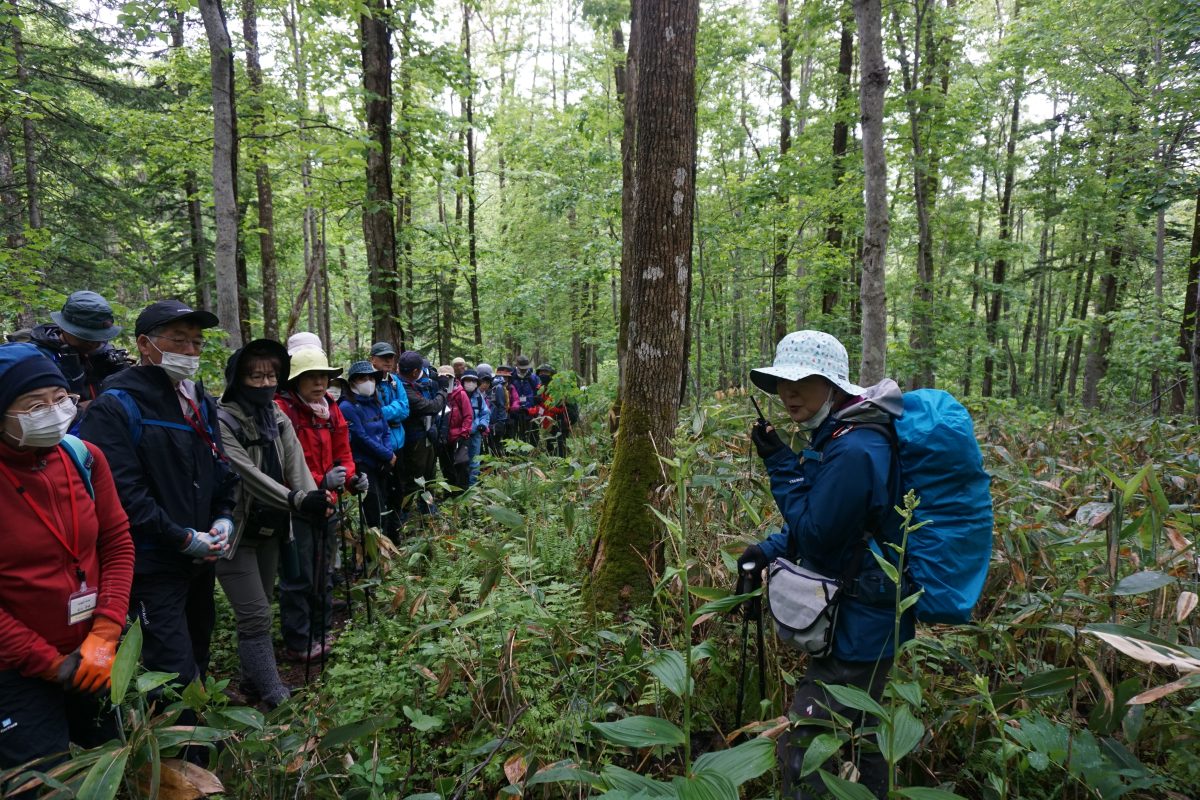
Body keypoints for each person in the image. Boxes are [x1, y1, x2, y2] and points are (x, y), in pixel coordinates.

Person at [736, 330, 908, 800]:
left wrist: (780, 465)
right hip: (863, 610)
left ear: (832, 384)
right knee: (864, 730)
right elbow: (835, 524)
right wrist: (769, 550)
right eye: (781, 383)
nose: (787, 393)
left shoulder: (854, 450)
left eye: (802, 382)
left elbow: (816, 532)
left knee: (807, 744)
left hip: (861, 619)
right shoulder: (838, 434)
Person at [79, 300, 236, 704]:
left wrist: (223, 516)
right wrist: (180, 537)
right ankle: (175, 757)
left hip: (199, 562)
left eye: (197, 343)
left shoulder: (198, 401)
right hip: (151, 565)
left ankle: (200, 752)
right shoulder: (117, 405)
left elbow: (219, 467)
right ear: (145, 345)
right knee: (170, 672)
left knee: (198, 653)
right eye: (179, 341)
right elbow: (123, 495)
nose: (190, 352)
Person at [0, 344, 134, 783]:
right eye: (35, 406)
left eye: (61, 399)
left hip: (94, 652)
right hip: (16, 670)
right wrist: (52, 664)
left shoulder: (85, 458)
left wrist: (106, 632)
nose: (54, 413)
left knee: (109, 767)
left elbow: (116, 542)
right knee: (43, 782)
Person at [215, 339, 331, 708]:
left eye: (271, 374)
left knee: (261, 604)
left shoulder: (275, 416)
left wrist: (314, 498)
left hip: (271, 526)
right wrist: (294, 499)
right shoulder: (222, 418)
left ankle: (251, 681)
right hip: (232, 530)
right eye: (255, 375)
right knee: (256, 614)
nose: (265, 382)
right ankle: (273, 692)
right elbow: (244, 473)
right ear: (238, 378)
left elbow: (294, 459)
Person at [274, 343, 366, 663]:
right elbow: (282, 463)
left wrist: (351, 479)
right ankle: (299, 640)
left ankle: (322, 629)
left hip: (327, 502)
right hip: (295, 505)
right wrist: (318, 481)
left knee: (324, 570)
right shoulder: (282, 410)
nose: (318, 383)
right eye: (310, 377)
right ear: (295, 381)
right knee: (298, 574)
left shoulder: (330, 407)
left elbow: (344, 450)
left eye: (323, 377)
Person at [30, 291, 132, 414]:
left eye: (98, 337)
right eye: (83, 337)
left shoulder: (104, 353)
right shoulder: (40, 359)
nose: (92, 343)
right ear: (63, 327)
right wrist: (97, 406)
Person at [338, 360, 398, 542]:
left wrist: (389, 453)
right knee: (374, 508)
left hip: (382, 462)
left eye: (371, 378)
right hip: (364, 464)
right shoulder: (347, 407)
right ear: (353, 382)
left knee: (387, 502)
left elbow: (385, 429)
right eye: (363, 378)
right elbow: (360, 437)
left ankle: (390, 544)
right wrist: (387, 454)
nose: (368, 382)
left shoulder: (374, 402)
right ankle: (376, 551)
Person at [396, 350, 449, 516]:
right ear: (414, 372)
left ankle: (427, 509)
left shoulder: (413, 384)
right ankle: (402, 516)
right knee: (414, 479)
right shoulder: (402, 387)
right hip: (413, 440)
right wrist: (443, 389)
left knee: (429, 475)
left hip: (426, 436)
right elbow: (432, 407)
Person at [368, 342, 410, 534]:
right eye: (383, 357)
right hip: (377, 449)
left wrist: (382, 413)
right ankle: (380, 537)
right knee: (379, 495)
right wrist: (389, 413)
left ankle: (395, 533)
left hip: (398, 445)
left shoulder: (395, 381)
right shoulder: (365, 381)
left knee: (398, 490)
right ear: (372, 359)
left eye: (391, 357)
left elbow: (405, 409)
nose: (388, 361)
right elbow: (368, 414)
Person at [534, 364, 572, 457]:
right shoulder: (539, 388)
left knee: (560, 446)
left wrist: (542, 402)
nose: (543, 374)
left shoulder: (557, 389)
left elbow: (560, 409)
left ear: (552, 375)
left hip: (558, 422)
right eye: (541, 372)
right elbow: (538, 408)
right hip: (546, 423)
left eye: (546, 372)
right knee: (549, 447)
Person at [460, 369, 490, 486]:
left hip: (476, 433)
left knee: (475, 461)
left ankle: (472, 487)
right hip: (461, 434)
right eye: (468, 380)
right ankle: (461, 485)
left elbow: (485, 412)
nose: (470, 383)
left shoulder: (478, 397)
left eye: (473, 381)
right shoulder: (459, 394)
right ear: (463, 381)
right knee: (461, 461)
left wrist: (483, 424)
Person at [476, 364, 508, 455]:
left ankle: (497, 467)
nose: (485, 384)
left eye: (487, 381)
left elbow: (502, 405)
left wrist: (501, 422)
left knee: (495, 447)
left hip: (494, 423)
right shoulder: (476, 389)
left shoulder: (497, 388)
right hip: (482, 424)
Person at [509, 355, 541, 444]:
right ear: (517, 365)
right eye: (521, 368)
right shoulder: (511, 377)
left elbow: (539, 392)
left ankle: (533, 454)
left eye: (525, 368)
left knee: (532, 436)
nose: (523, 370)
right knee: (515, 437)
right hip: (514, 413)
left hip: (530, 412)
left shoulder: (534, 378)